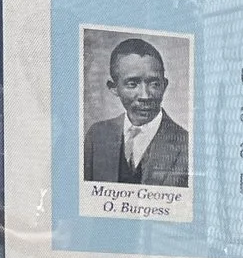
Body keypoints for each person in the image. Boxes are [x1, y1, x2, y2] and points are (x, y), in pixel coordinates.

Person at [81, 37, 189, 186]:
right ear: (113, 87)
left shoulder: (186, 145)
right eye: (132, 84)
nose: (145, 95)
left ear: (164, 85)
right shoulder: (97, 136)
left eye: (154, 84)